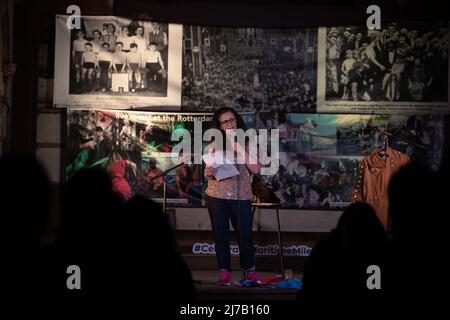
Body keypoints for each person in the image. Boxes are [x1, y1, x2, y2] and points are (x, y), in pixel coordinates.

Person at [204, 107, 261, 286]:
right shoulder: (213, 144)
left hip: (241, 195)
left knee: (245, 235)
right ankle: (225, 273)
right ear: (220, 126)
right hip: (216, 194)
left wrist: (239, 148)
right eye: (225, 121)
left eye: (232, 119)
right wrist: (208, 171)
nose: (230, 123)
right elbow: (209, 172)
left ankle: (249, 271)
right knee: (221, 236)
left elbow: (256, 169)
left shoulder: (248, 141)